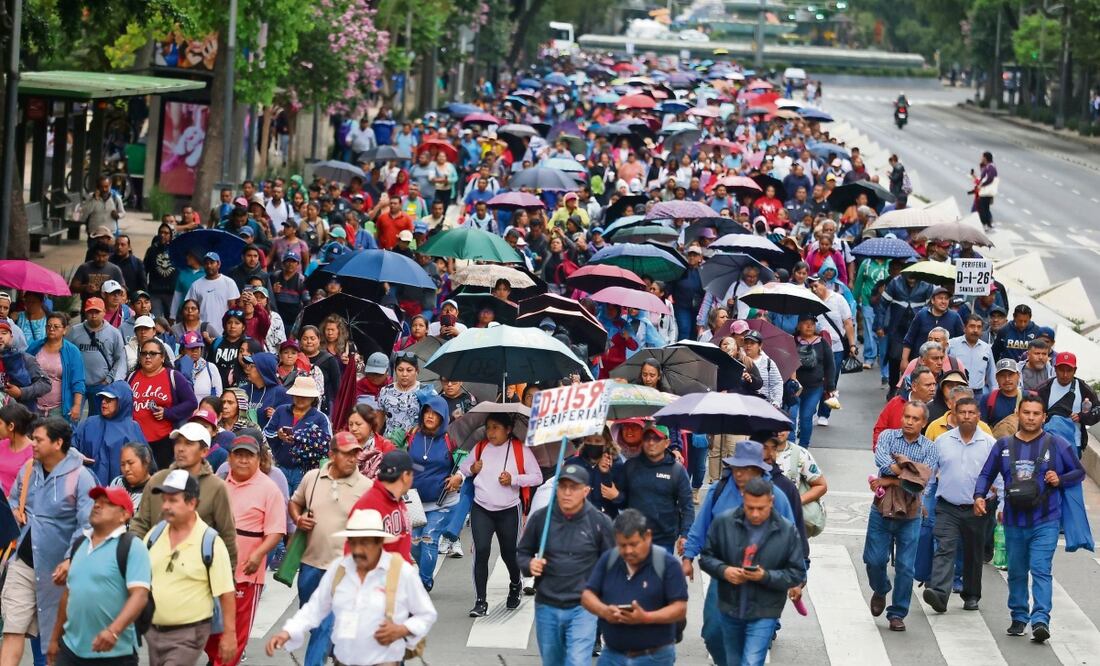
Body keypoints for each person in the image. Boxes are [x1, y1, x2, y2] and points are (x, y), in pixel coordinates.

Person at [266, 508, 438, 666]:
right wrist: (288, 632)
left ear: (379, 542)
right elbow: (315, 607)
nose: (357, 550)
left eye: (365, 543)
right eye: (353, 542)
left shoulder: (401, 572)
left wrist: (403, 629)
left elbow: (426, 614)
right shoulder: (339, 569)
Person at [974, 396, 1084, 642]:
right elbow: (985, 474)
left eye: (1036, 413)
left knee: (1041, 569)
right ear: (1018, 414)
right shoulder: (1002, 445)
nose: (1031, 418)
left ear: (1044, 417)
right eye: (1027, 413)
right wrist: (979, 496)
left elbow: (1079, 472)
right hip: (1013, 521)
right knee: (1016, 571)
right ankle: (1019, 615)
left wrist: (1060, 479)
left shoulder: (1058, 445)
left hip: (1046, 520)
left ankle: (1040, 619)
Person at [1, 418, 95, 666]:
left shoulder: (81, 478)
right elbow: (12, 500)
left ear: (58, 443)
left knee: (54, 641)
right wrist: (14, 511)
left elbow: (87, 525)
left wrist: (69, 558)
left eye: (38, 439)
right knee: (12, 629)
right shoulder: (29, 468)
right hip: (23, 561)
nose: (32, 443)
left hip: (58, 571)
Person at [699, 476, 806, 666]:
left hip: (764, 611)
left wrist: (764, 576)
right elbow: (706, 558)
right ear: (743, 498)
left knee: (750, 662)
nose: (755, 514)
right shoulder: (724, 523)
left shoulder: (787, 531)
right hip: (730, 607)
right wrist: (724, 571)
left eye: (761, 508)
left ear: (771, 501)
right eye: (750, 508)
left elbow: (796, 573)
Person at [288, 432, 374, 665]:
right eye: (346, 454)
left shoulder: (367, 487)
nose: (352, 459)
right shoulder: (313, 478)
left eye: (356, 453)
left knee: (325, 626)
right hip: (310, 565)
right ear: (331, 455)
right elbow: (294, 503)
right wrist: (298, 519)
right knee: (317, 623)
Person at [518, 463, 615, 666]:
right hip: (547, 605)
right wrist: (530, 565)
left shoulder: (599, 522)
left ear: (586, 491)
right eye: (563, 487)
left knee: (577, 661)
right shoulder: (541, 518)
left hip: (583, 608)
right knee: (552, 661)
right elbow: (523, 552)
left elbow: (612, 565)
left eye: (574, 487)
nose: (567, 493)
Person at [46, 485, 151, 666]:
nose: (97, 506)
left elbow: (140, 595)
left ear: (124, 515)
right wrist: (55, 639)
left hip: (114, 655)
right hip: (71, 651)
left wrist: (113, 631)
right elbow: (68, 595)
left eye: (107, 503)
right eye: (96, 502)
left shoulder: (132, 546)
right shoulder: (80, 544)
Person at [205, 435, 286, 666]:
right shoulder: (219, 484)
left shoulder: (269, 489)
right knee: (206, 631)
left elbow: (276, 531)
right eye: (238, 455)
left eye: (248, 455)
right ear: (229, 458)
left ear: (259, 459)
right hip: (213, 571)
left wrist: (259, 554)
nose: (242, 460)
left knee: (235, 635)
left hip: (246, 573)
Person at [142, 470, 237, 665]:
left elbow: (227, 593)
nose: (165, 506)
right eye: (164, 500)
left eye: (173, 500)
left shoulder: (210, 542)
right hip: (154, 631)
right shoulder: (154, 535)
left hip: (190, 633)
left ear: (192, 503)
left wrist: (229, 634)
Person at [459, 412, 543, 617]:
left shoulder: (519, 449)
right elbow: (463, 468)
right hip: (482, 508)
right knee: (482, 550)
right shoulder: (480, 447)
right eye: (488, 427)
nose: (491, 432)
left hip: (508, 510)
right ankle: (480, 601)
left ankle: (516, 583)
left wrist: (513, 479)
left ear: (508, 429)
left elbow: (537, 477)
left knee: (509, 553)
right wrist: (472, 467)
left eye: (496, 427)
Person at [581, 509, 689, 666]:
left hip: (654, 657)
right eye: (622, 545)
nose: (628, 551)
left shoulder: (667, 564)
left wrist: (646, 618)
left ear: (648, 537)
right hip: (612, 656)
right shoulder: (609, 560)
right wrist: (604, 611)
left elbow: (679, 608)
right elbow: (587, 595)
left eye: (633, 544)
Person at [865, 400, 938, 632]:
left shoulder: (930, 447)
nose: (909, 421)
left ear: (923, 422)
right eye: (907, 416)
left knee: (906, 567)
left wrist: (893, 478)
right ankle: (880, 588)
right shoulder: (887, 436)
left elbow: (922, 480)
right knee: (874, 560)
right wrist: (906, 471)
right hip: (882, 508)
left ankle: (897, 613)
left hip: (912, 513)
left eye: (915, 419)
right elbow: (882, 462)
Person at [923, 396, 999, 614]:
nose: (966, 416)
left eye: (971, 412)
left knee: (973, 553)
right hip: (947, 506)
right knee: (944, 548)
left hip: (978, 508)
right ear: (954, 415)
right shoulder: (943, 441)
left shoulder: (989, 444)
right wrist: (923, 499)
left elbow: (999, 476)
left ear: (978, 416)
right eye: (962, 412)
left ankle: (971, 594)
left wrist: (999, 503)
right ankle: (938, 592)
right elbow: (930, 472)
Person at [130, 421, 238, 569]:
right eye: (178, 443)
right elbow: (140, 524)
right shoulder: (157, 480)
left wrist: (228, 578)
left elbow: (227, 536)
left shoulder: (216, 487)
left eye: (188, 444)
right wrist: (135, 559)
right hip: (155, 570)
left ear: (204, 452)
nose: (181, 449)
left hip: (197, 574)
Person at [406, 396, 461, 591]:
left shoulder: (451, 438)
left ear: (443, 417)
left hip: (442, 503)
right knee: (414, 543)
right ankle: (423, 574)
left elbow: (465, 461)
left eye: (435, 414)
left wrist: (459, 477)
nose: (430, 416)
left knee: (429, 537)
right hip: (414, 501)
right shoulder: (412, 435)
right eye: (427, 412)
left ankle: (423, 583)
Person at [615, 424, 694, 553]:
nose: (651, 443)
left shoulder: (677, 470)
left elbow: (687, 506)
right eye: (647, 438)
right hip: (634, 538)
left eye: (657, 438)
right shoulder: (630, 467)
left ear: (667, 442)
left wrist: (685, 535)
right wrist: (616, 496)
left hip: (664, 541)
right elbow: (622, 502)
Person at [128, 338, 198, 470]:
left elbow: (191, 403)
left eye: (153, 354)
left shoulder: (173, 376)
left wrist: (168, 413)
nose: (147, 357)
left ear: (162, 357)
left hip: (163, 442)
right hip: (135, 440)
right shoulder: (131, 377)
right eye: (144, 353)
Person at [72, 381, 147, 485]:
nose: (103, 402)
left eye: (109, 399)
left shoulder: (133, 428)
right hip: (88, 486)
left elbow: (146, 464)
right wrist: (77, 456)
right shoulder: (89, 423)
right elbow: (70, 446)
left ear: (122, 402)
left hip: (121, 490)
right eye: (103, 398)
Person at [264, 375, 332, 492]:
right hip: (281, 466)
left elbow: (326, 445)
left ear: (312, 398)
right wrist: (278, 435)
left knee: (300, 504)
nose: (301, 399)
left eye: (305, 396)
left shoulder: (320, 418)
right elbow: (267, 432)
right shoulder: (281, 411)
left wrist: (302, 440)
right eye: (298, 395)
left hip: (305, 471)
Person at [349, 449, 415, 562]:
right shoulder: (367, 506)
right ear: (405, 476)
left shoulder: (398, 500)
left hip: (399, 574)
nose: (413, 479)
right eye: (412, 474)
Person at [65, 298, 127, 415]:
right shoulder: (74, 331)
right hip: (77, 383)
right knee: (72, 417)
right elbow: (66, 354)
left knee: (97, 419)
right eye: (90, 312)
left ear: (104, 312)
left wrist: (109, 378)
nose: (93, 315)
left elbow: (120, 359)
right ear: (85, 312)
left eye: (97, 312)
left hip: (101, 383)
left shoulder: (114, 333)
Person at [1036, 351, 1100, 455]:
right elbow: (1034, 411)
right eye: (1061, 370)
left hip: (1074, 443)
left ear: (1075, 370)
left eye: (1069, 370)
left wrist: (1081, 416)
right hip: (1047, 441)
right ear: (1055, 369)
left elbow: (1097, 410)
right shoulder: (1044, 388)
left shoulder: (1084, 388)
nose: (1065, 375)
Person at [27, 313, 85, 422]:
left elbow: (78, 381)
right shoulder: (35, 347)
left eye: (56, 326)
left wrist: (77, 405)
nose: (51, 329)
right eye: (48, 326)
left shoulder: (72, 351)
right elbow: (24, 369)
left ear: (65, 330)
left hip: (58, 408)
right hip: (34, 406)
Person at [793, 314, 835, 447]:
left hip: (815, 387)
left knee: (806, 416)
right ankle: (788, 445)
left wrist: (830, 386)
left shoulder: (822, 342)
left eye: (812, 323)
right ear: (799, 326)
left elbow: (830, 365)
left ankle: (803, 448)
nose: (809, 326)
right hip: (794, 387)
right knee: (791, 416)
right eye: (805, 322)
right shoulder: (793, 341)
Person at [185, 252, 241, 338]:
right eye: (206, 263)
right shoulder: (196, 285)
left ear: (218, 264)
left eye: (212, 263)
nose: (209, 266)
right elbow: (191, 307)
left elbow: (233, 307)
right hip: (202, 330)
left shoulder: (229, 282)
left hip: (224, 330)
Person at [0, 322, 51, 412]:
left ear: (11, 337)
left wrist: (21, 392)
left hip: (22, 415)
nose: (0, 337)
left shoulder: (25, 359)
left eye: (4, 333)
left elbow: (45, 384)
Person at [949, 314, 996, 400]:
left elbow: (992, 375)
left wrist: (994, 396)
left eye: (979, 327)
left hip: (978, 394)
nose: (975, 330)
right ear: (964, 328)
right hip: (956, 392)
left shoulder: (987, 348)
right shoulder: (952, 344)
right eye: (972, 326)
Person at [377, 354, 422, 445]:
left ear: (417, 371)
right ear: (395, 371)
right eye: (400, 370)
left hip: (415, 443)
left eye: (409, 370)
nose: (404, 374)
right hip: (389, 443)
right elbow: (379, 418)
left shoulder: (426, 391)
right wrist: (374, 439)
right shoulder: (385, 391)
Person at [108, 441, 156, 512]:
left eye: (131, 463)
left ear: (146, 461)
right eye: (122, 464)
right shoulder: (117, 482)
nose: (126, 469)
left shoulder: (156, 491)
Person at [0, 403, 35, 494]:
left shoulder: (33, 453)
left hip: (12, 505)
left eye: (0, 423)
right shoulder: (2, 445)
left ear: (11, 426)